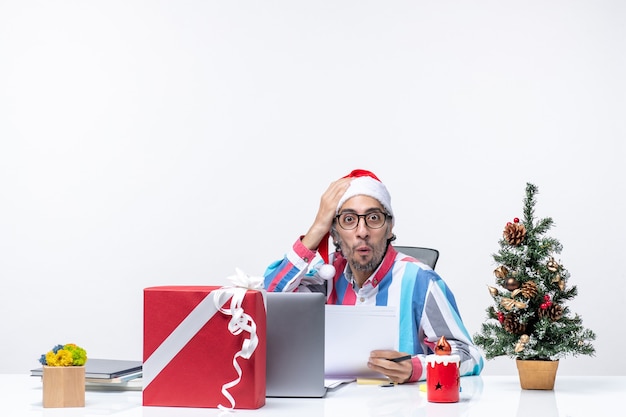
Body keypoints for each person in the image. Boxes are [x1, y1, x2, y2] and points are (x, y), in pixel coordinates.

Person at [264, 169, 484, 383]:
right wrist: (317, 228)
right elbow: (270, 300)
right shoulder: (324, 277)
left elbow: (470, 357)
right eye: (349, 220)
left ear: (389, 228)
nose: (362, 231)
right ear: (334, 232)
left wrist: (415, 368)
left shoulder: (421, 281)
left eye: (374, 218)